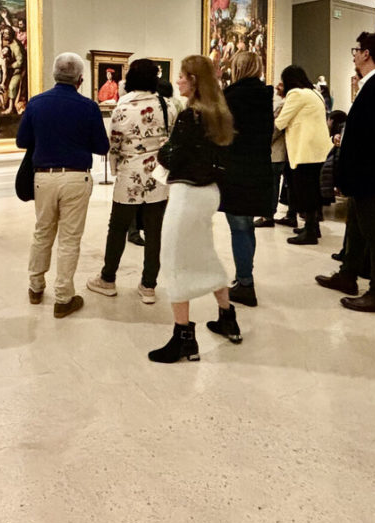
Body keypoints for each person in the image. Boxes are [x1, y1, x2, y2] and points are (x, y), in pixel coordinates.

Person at [148, 55, 240, 363]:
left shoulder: (191, 117)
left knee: (173, 260)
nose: (178, 81)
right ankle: (228, 317)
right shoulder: (220, 113)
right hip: (209, 193)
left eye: (183, 76)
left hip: (188, 193)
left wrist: (163, 150)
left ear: (195, 80)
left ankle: (183, 337)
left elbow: (172, 157)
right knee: (204, 253)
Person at [316, 32, 375, 314]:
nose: (354, 55)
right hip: (365, 176)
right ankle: (348, 275)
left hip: (372, 176)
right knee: (356, 230)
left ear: (367, 54)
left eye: (356, 50)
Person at [17, 52, 109, 318]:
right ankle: (63, 297)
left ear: (54, 76)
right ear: (80, 79)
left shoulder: (36, 103)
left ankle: (35, 287)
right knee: (70, 239)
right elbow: (101, 147)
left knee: (42, 232)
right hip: (76, 177)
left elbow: (22, 141)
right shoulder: (88, 107)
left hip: (43, 176)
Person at [86, 58, 177, 304]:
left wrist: (115, 169)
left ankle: (108, 279)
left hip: (129, 173)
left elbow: (114, 144)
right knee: (155, 230)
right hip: (158, 174)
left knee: (117, 228)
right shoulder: (167, 105)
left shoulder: (123, 107)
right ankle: (148, 285)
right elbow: (171, 140)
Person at [219, 51, 273, 307]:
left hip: (237, 168)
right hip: (260, 167)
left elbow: (223, 133)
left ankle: (245, 282)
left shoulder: (232, 97)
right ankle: (244, 278)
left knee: (238, 226)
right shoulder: (265, 95)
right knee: (247, 225)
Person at [275, 65, 332, 245]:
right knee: (313, 191)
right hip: (319, 150)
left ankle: (309, 232)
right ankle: (313, 227)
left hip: (305, 150)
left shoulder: (296, 94)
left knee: (305, 192)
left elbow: (281, 122)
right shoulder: (315, 93)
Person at [254, 80, 287, 229]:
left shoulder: (283, 105)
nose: (276, 87)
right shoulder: (284, 103)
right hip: (278, 149)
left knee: (272, 184)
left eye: (280, 85)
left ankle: (268, 215)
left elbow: (276, 128)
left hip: (276, 150)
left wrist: (264, 141)